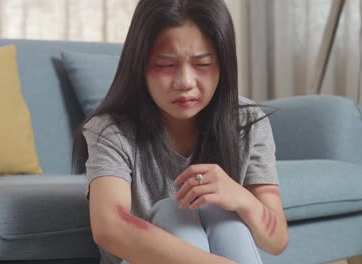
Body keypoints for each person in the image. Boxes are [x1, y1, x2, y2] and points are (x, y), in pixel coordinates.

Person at [74, 0, 289, 263]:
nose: (185, 82)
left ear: (223, 64)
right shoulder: (111, 130)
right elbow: (110, 229)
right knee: (173, 211)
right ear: (139, 65)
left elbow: (277, 241)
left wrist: (241, 198)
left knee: (223, 216)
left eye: (202, 63)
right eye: (166, 65)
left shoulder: (246, 121)